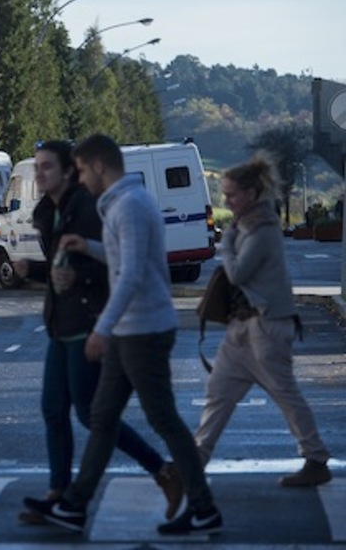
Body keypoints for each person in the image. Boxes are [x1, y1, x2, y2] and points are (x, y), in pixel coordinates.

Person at [25, 134, 222, 536]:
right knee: (100, 417)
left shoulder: (128, 206)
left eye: (80, 170)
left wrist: (102, 326)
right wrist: (91, 246)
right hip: (131, 328)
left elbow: (131, 273)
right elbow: (122, 260)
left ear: (98, 166)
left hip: (143, 328)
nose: (80, 178)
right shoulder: (123, 203)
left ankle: (202, 505)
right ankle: (75, 506)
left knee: (162, 418)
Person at [194, 155, 332, 486]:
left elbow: (239, 271)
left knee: (285, 394)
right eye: (224, 195)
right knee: (218, 393)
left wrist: (225, 243)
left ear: (253, 193)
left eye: (232, 195)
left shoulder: (264, 230)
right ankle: (193, 460)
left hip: (268, 325)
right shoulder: (244, 226)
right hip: (241, 326)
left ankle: (315, 460)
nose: (226, 201)